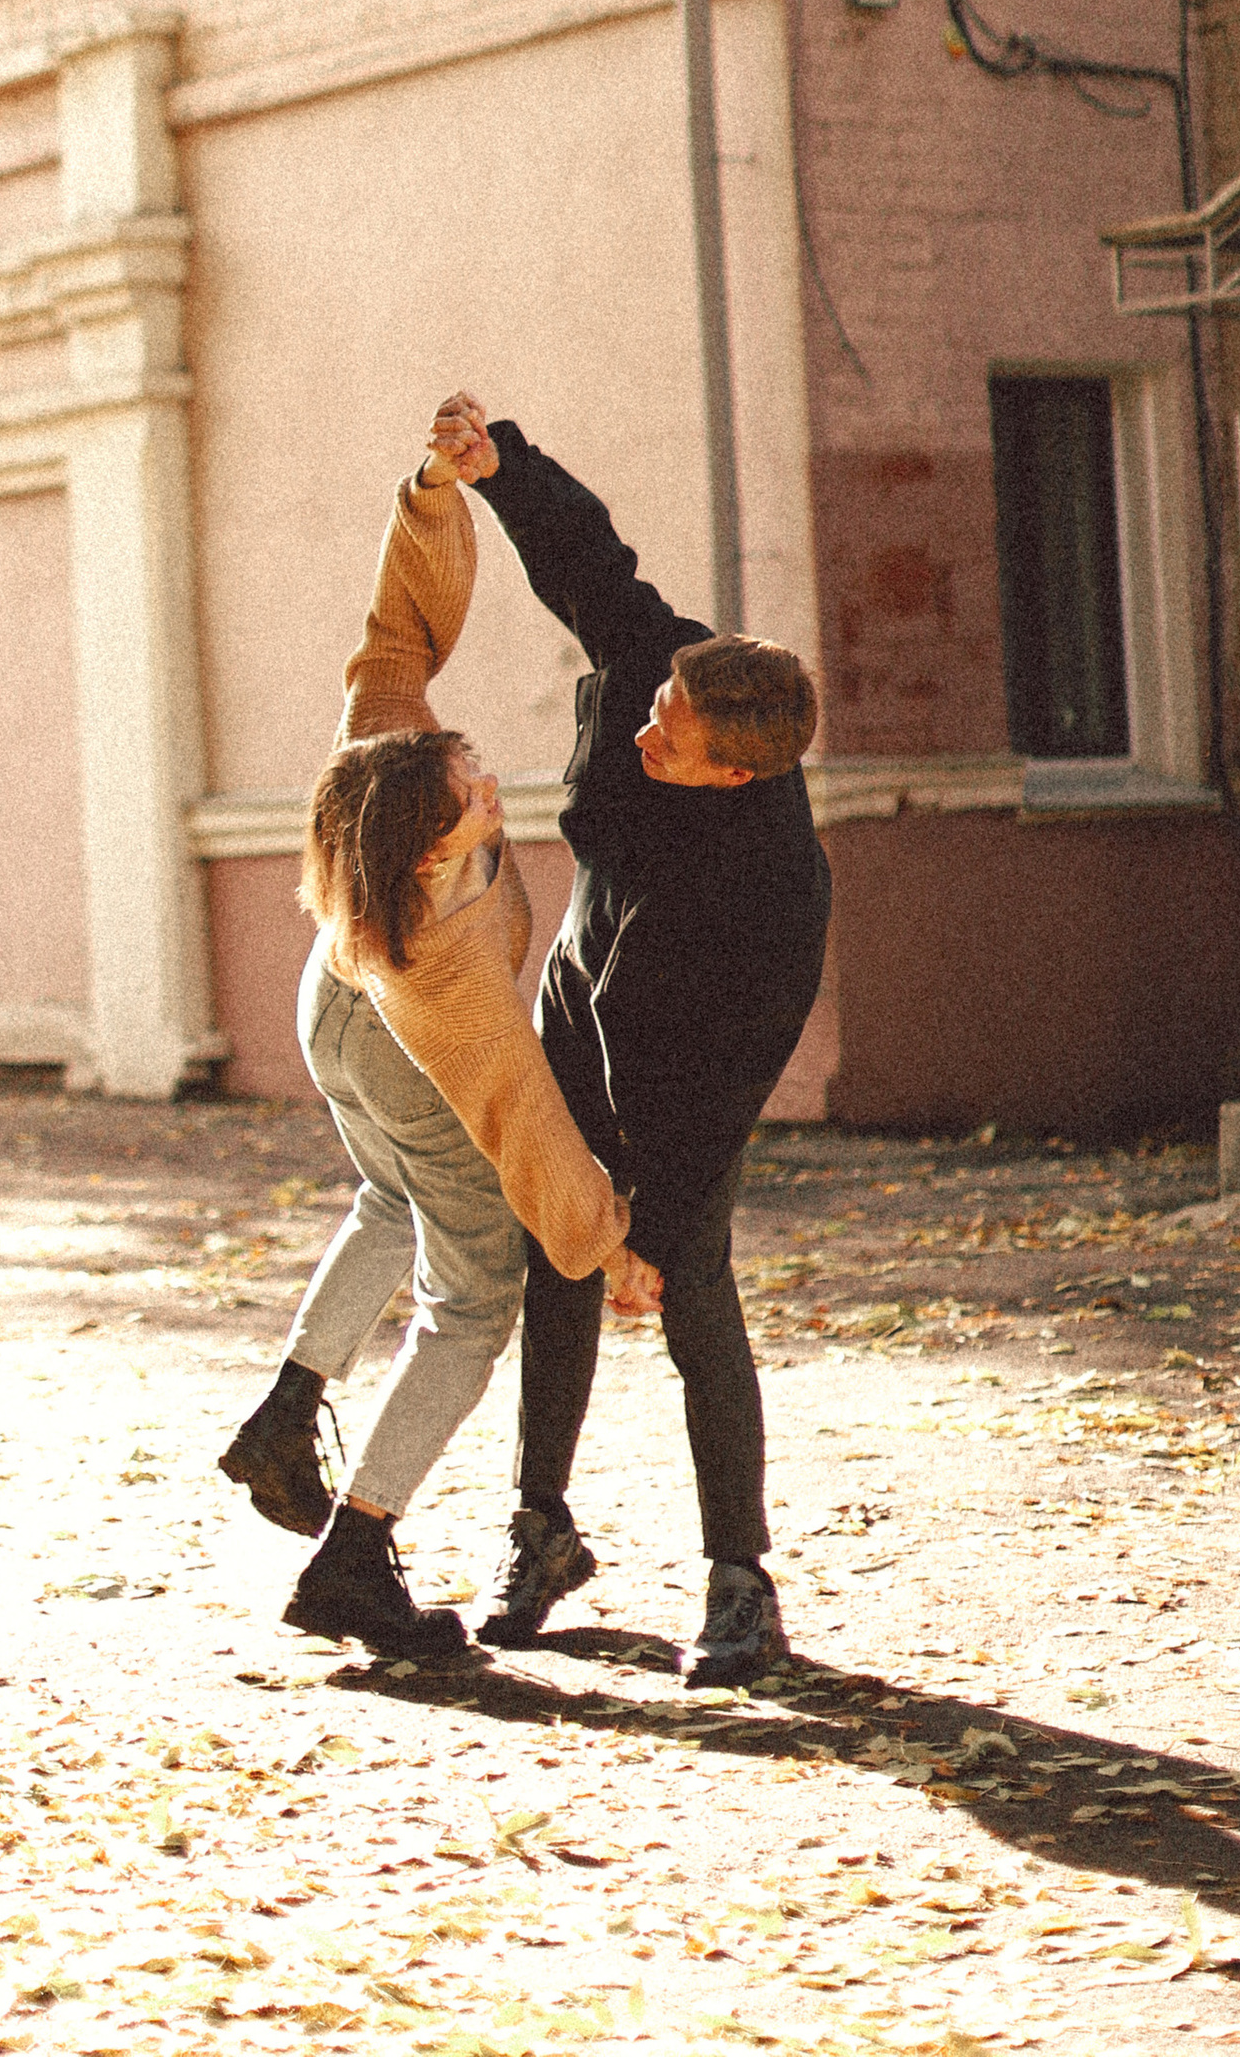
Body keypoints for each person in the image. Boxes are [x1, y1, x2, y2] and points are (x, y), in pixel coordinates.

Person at [216, 432, 659, 1663]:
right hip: (400, 1038)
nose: (488, 785)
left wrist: (430, 495)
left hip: (333, 1005)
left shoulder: (380, 757)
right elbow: (507, 1096)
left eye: (468, 767)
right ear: (426, 849)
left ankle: (287, 1410)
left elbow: (398, 629)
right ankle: (356, 1556)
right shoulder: (448, 957)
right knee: (473, 1301)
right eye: (475, 793)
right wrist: (602, 1245)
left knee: (384, 1193)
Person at [429, 393, 829, 1690]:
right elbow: (592, 560)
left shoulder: (780, 890)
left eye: (671, 737)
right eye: (656, 705)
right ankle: (541, 1533)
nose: (645, 724)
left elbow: (736, 1080)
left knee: (692, 1289)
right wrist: (506, 468)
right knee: (558, 1254)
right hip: (578, 1003)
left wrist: (655, 1223)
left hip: (681, 1075)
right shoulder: (675, 665)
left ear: (737, 775)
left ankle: (741, 1583)